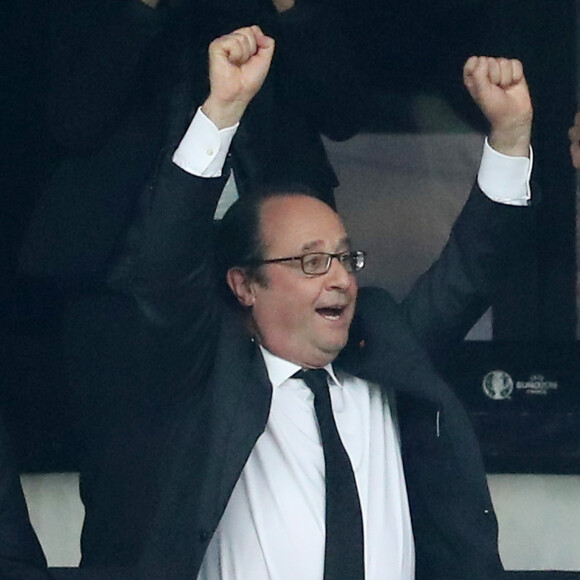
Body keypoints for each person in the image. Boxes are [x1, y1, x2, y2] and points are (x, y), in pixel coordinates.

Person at [81, 25, 533, 579]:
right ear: (244, 285)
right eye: (311, 261)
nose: (340, 279)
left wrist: (510, 136)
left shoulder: (384, 346)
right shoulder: (201, 373)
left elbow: (469, 272)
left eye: (345, 258)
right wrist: (222, 108)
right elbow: (164, 264)